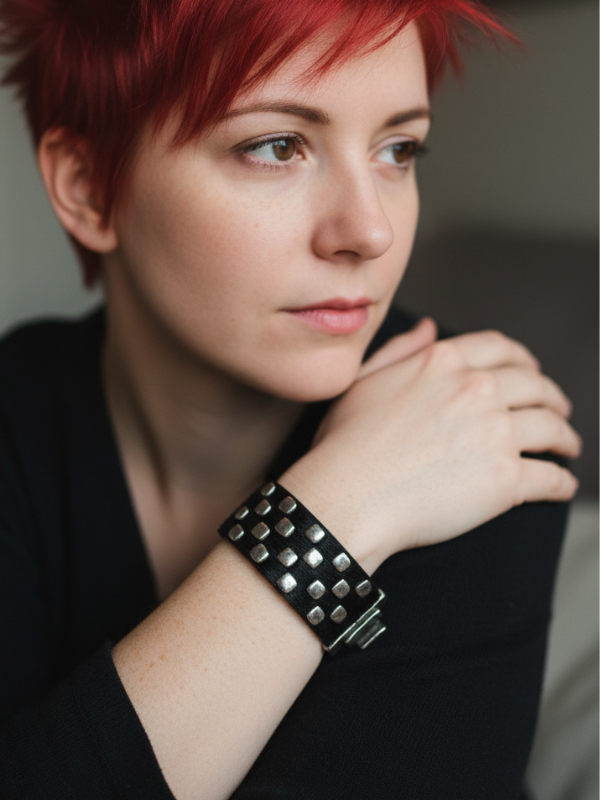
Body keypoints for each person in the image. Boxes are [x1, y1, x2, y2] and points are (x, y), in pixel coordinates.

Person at [0, 1, 581, 798]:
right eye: (278, 145)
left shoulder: (479, 430)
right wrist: (335, 510)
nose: (369, 230)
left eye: (398, 149)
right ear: (90, 186)